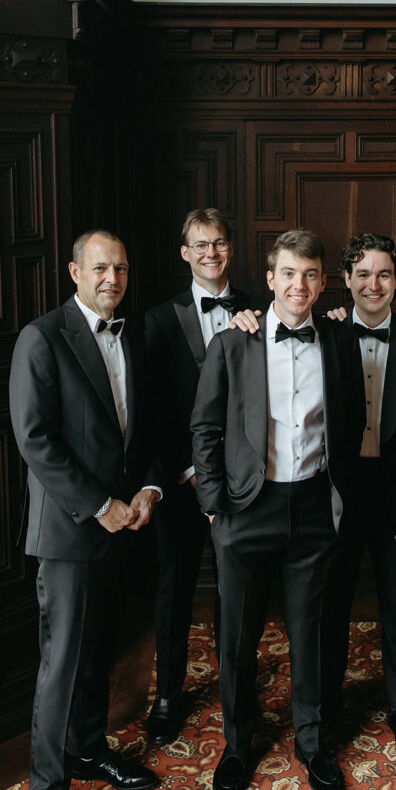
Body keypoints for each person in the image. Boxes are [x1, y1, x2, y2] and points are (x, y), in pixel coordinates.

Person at [191, 229, 364, 790]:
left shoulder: (339, 340)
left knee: (309, 632)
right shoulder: (234, 341)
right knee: (237, 637)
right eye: (288, 274)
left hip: (313, 507)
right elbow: (206, 428)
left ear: (322, 282)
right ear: (269, 280)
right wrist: (215, 504)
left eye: (311, 275)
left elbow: (350, 419)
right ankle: (238, 745)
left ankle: (312, 743)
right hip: (246, 508)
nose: (299, 285)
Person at [9, 231, 162, 790]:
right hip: (72, 528)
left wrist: (150, 488)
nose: (112, 277)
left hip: (125, 521)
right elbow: (36, 439)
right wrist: (100, 506)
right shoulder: (41, 338)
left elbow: (145, 425)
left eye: (121, 267)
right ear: (75, 271)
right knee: (61, 661)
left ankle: (90, 747)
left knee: (100, 645)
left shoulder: (134, 334)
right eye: (100, 267)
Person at [321, 233, 396, 765]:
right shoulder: (323, 335)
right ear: (346, 280)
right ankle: (325, 710)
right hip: (337, 496)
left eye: (385, 274)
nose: (374, 284)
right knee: (332, 606)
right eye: (363, 274)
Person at [144, 208, 262, 745]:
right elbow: (154, 409)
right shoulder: (159, 320)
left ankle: (235, 686)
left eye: (218, 243)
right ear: (184, 252)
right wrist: (189, 471)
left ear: (230, 249)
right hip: (181, 479)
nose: (210, 253)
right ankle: (169, 692)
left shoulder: (259, 313)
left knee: (238, 589)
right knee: (175, 587)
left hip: (240, 483)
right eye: (200, 245)